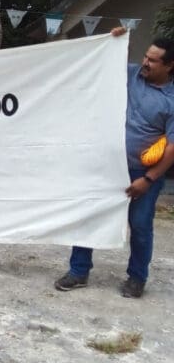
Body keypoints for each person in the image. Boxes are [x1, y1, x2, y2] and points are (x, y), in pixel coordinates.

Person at [55, 27, 174, 298]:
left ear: (169, 66)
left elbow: (172, 148)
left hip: (142, 172)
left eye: (153, 60)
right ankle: (78, 270)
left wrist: (148, 179)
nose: (145, 62)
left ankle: (137, 278)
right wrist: (112, 40)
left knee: (140, 225)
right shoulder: (132, 74)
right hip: (106, 165)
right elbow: (102, 61)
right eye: (145, 57)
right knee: (88, 215)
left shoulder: (171, 100)